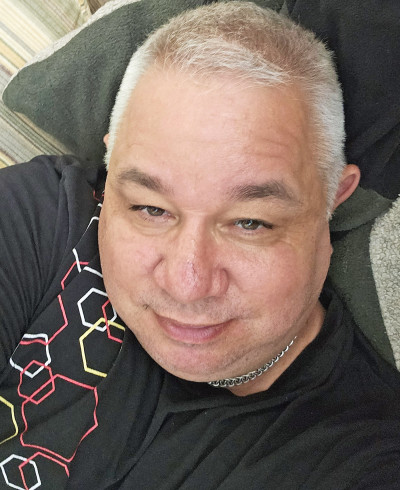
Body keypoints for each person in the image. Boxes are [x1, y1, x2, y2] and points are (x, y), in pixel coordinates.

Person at [0, 2, 399, 489]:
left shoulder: (361, 451)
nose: (187, 285)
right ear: (112, 164)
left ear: (333, 198)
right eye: (150, 209)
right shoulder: (43, 216)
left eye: (251, 222)